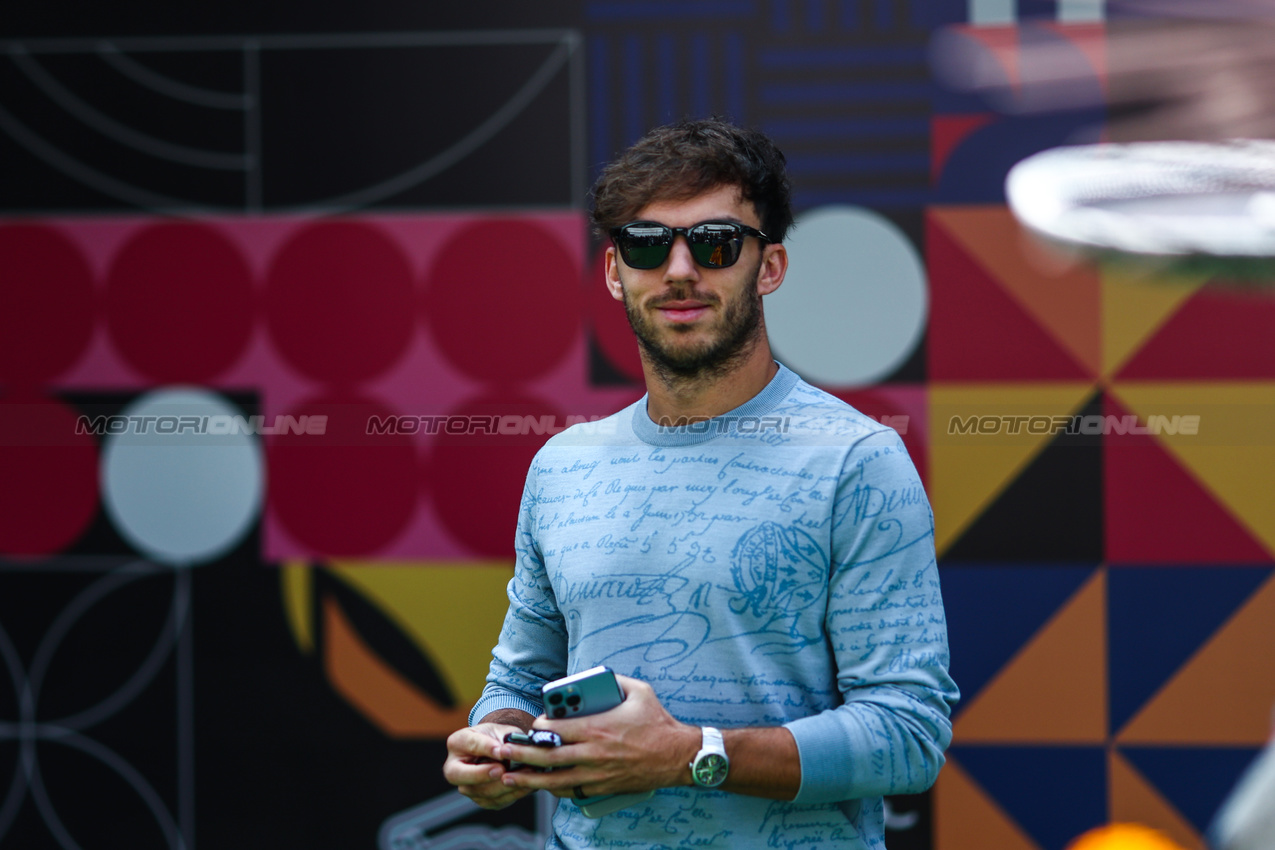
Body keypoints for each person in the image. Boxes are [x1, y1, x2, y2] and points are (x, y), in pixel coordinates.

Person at [443, 117, 959, 850]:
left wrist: (692, 755)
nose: (680, 269)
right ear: (615, 270)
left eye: (715, 243)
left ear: (769, 266)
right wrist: (496, 744)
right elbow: (520, 686)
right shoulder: (562, 466)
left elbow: (906, 736)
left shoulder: (855, 459)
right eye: (647, 244)